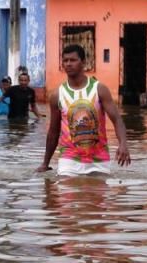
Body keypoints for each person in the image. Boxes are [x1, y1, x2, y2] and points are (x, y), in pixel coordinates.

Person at [36, 44, 131, 176]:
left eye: (73, 60)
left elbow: (117, 120)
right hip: (69, 160)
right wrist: (45, 163)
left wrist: (123, 144)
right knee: (65, 188)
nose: (68, 64)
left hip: (99, 159)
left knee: (99, 189)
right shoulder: (57, 95)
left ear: (84, 62)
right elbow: (53, 131)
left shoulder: (99, 89)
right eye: (65, 60)